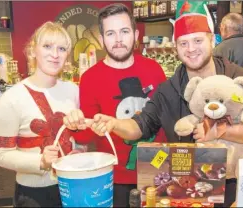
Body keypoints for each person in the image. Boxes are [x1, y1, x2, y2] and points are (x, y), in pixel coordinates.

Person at [65, 2, 243, 206]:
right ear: (176, 47)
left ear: (212, 39)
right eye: (183, 43)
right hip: (187, 190)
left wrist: (219, 130)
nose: (191, 49)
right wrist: (113, 123)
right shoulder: (168, 90)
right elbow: (140, 125)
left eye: (198, 40)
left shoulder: (240, 78)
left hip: (237, 184)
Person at [63, 3, 167, 207]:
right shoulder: (91, 78)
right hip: (114, 177)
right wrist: (75, 124)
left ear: (135, 35)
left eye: (124, 31)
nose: (118, 40)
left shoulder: (154, 69)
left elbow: (164, 118)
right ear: (101, 40)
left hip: (158, 171)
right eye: (110, 33)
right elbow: (85, 136)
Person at [0, 21, 85, 207]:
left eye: (62, 48)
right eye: (47, 46)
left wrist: (80, 149)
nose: (55, 54)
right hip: (33, 195)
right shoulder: (12, 98)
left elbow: (79, 137)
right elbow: (0, 153)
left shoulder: (73, 90)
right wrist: (40, 161)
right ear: (33, 50)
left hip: (73, 185)